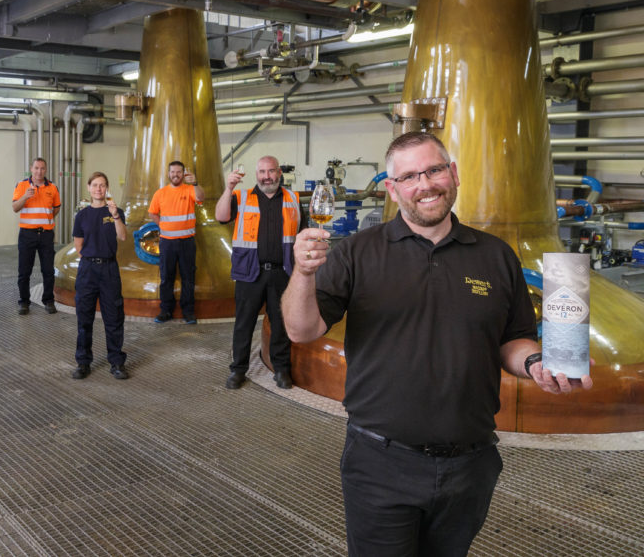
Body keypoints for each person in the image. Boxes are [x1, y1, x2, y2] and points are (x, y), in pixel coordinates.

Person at [282, 131, 594, 555]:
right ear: (392, 189)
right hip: (380, 461)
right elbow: (302, 330)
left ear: (454, 174)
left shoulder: (496, 256)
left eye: (433, 170)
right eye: (409, 176)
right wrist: (302, 274)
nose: (424, 184)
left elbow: (513, 339)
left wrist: (537, 362)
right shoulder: (357, 252)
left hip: (471, 462)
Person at [215, 156, 299, 390]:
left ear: (279, 172)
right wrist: (228, 187)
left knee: (281, 324)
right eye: (262, 172)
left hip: (282, 273)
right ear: (256, 174)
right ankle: (238, 369)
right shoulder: (241, 197)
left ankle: (281, 370)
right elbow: (221, 216)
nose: (266, 176)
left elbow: (300, 234)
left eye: (271, 171)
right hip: (249, 272)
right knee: (244, 324)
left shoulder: (292, 199)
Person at [71, 172, 129, 380]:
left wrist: (115, 216)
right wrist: (90, 258)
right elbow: (79, 244)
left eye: (102, 185)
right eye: (95, 185)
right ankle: (83, 362)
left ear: (107, 188)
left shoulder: (115, 211)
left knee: (113, 318)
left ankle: (116, 362)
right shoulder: (83, 216)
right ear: (88, 188)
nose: (98, 189)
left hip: (109, 270)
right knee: (84, 318)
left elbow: (122, 236)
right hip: (87, 270)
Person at [148, 160, 204, 324]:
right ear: (168, 173)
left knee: (188, 277)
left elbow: (201, 197)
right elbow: (152, 213)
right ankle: (166, 311)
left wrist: (195, 183)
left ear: (183, 173)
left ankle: (188, 312)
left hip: (187, 242)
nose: (175, 175)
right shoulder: (160, 193)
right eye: (173, 172)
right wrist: (164, 226)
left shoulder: (190, 189)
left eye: (179, 172)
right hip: (167, 242)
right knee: (166, 277)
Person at [11, 157, 61, 315]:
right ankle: (24, 302)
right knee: (24, 270)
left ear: (46, 170)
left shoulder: (52, 187)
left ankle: (48, 300)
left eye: (42, 168)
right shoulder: (21, 185)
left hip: (46, 234)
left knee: (48, 270)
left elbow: (56, 208)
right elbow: (15, 208)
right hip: (27, 234)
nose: (39, 171)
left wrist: (46, 221)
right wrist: (25, 196)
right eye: (36, 168)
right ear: (31, 169)